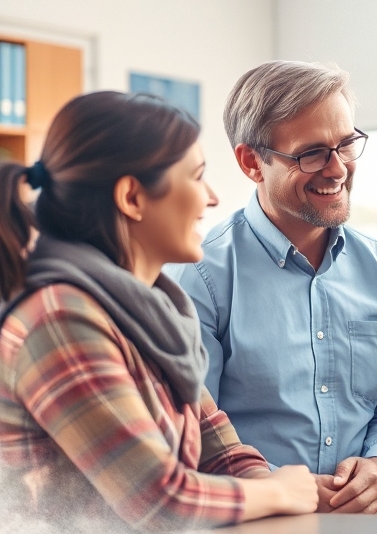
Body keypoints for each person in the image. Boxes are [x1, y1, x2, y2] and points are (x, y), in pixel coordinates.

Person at [0, 92, 317, 532]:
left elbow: (218, 447)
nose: (211, 198)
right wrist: (279, 491)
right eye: (197, 177)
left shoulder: (150, 310)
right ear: (132, 197)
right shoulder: (60, 319)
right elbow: (162, 502)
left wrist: (265, 485)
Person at [167, 61, 377, 515]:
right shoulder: (200, 276)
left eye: (346, 145)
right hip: (257, 521)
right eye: (312, 154)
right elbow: (194, 433)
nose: (338, 169)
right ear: (252, 162)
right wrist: (278, 488)